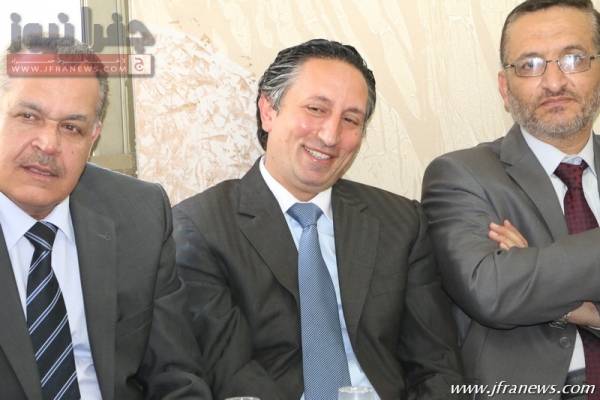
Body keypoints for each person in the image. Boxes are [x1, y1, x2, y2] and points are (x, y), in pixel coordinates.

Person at [173, 38, 465, 400]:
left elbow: (437, 365)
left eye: (350, 119)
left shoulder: (401, 223)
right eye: (315, 109)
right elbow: (229, 372)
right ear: (268, 110)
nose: (330, 135)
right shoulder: (201, 227)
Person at [0, 37, 211, 399]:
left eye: (71, 127)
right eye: (29, 117)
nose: (48, 144)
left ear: (94, 138)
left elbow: (175, 375)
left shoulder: (140, 214)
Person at [422, 0, 600, 398]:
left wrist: (540, 274)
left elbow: (518, 284)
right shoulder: (461, 174)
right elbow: (492, 291)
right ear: (505, 87)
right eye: (530, 64)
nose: (553, 82)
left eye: (573, 59)